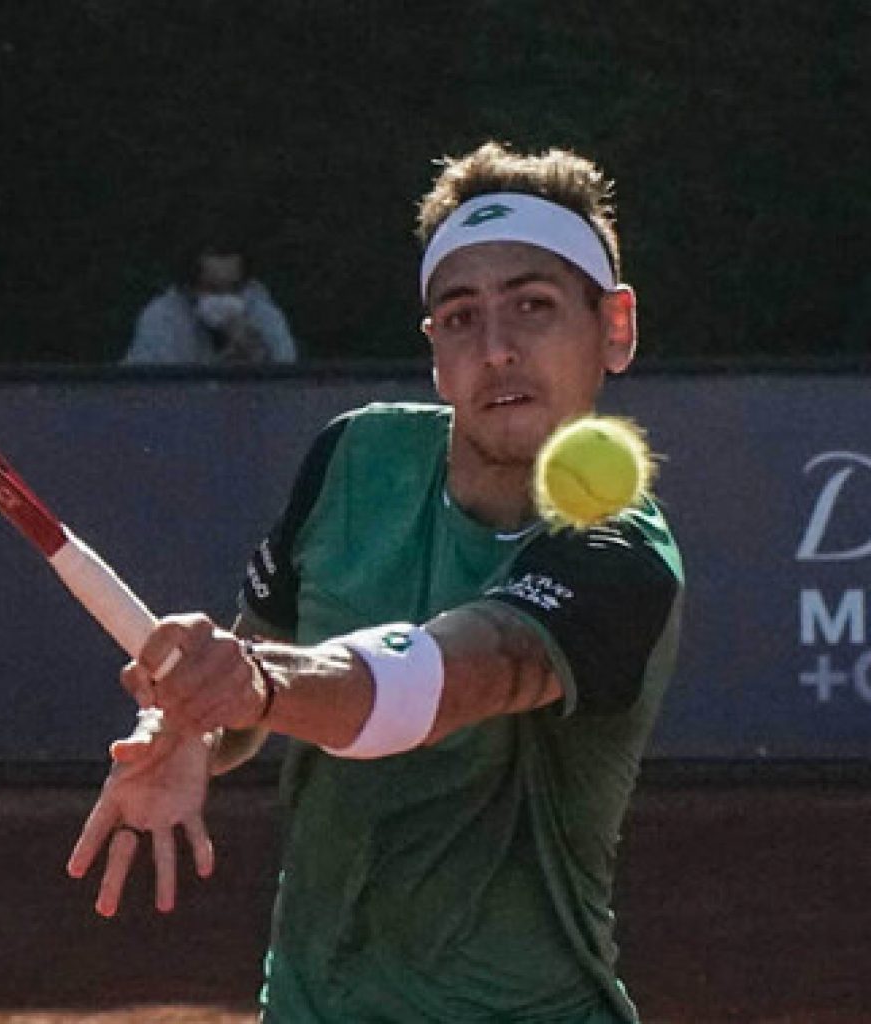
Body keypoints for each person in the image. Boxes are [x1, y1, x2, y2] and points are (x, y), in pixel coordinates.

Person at [69, 140, 685, 1024]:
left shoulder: (619, 549)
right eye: (461, 317)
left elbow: (443, 680)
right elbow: (251, 677)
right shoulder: (354, 457)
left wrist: (259, 685)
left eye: (535, 307)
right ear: (434, 347)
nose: (498, 349)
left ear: (614, 328)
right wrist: (191, 729)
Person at [122, 243, 299, 365]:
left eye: (233, 289)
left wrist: (258, 354)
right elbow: (147, 391)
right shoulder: (161, 319)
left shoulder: (263, 314)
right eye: (213, 289)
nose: (225, 299)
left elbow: (289, 382)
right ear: (188, 289)